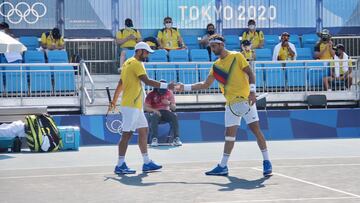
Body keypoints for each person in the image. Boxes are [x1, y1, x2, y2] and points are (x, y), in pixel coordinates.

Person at [175, 34, 272, 177]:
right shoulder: (216, 66)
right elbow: (205, 84)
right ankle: (223, 166)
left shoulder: (237, 56)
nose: (212, 49)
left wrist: (252, 92)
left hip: (246, 101)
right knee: (229, 136)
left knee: (256, 131)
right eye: (211, 47)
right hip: (230, 105)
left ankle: (267, 161)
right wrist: (185, 87)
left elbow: (250, 74)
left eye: (214, 46)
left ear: (221, 45)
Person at [109, 42, 176, 174]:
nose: (147, 55)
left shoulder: (127, 62)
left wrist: (114, 99)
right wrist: (167, 86)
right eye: (146, 52)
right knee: (126, 135)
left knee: (144, 130)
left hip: (136, 106)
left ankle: (147, 163)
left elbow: (121, 83)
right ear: (139, 51)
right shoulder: (136, 63)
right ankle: (120, 165)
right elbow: (147, 81)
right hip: (131, 106)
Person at [144, 80, 182, 147]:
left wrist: (169, 103)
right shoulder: (151, 94)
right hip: (156, 112)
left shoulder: (169, 93)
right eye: (160, 91)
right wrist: (154, 110)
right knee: (154, 116)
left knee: (174, 116)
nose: (162, 93)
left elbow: (174, 108)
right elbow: (145, 108)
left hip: (166, 112)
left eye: (164, 91)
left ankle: (176, 138)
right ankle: (154, 139)